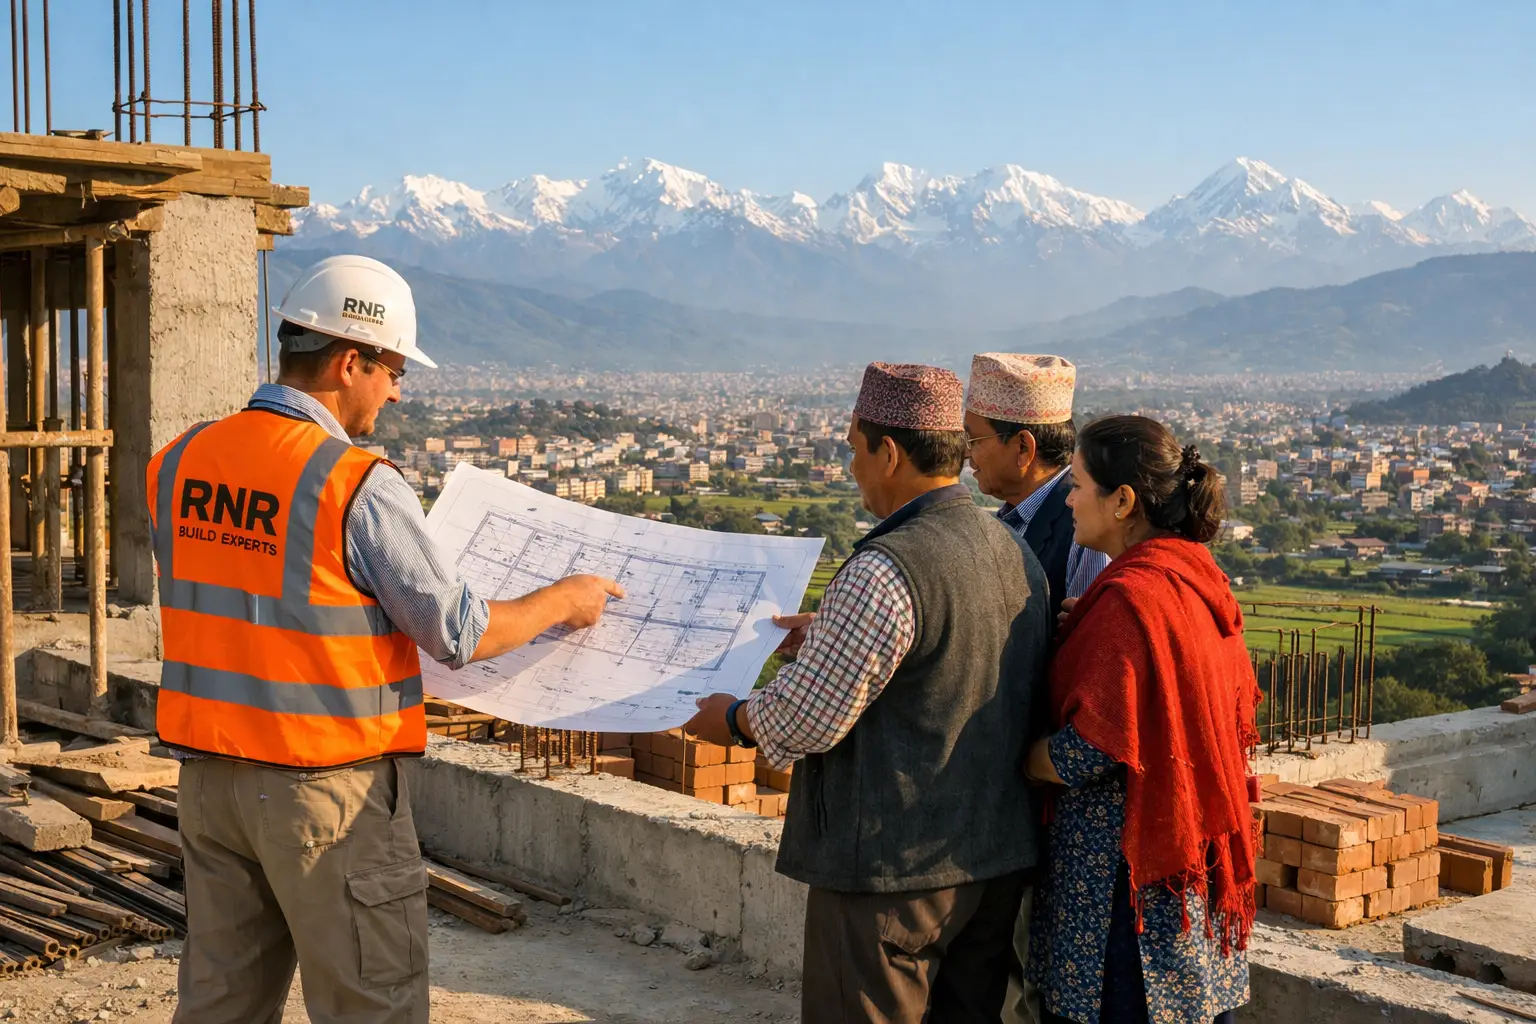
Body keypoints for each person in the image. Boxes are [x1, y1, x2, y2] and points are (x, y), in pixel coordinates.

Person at [146, 254, 624, 1024]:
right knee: (373, 1004)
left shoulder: (180, 460)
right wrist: (562, 601)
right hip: (326, 794)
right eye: (394, 369)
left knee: (221, 1005)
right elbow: (459, 631)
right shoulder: (353, 482)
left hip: (210, 781)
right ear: (348, 361)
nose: (398, 389)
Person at [687, 362, 1051, 1024]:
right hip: (992, 862)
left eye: (856, 451)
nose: (852, 470)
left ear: (888, 452)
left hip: (893, 875)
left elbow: (801, 724)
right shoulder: (1011, 549)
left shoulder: (886, 568)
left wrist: (733, 719)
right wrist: (829, 639)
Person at [1024, 414, 1260, 1024]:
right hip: (1189, 869)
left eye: (1077, 484)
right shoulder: (1195, 575)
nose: (1069, 499)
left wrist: (1022, 757)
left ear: (1122, 500)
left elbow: (1090, 748)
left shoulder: (1132, 599)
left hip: (1122, 888)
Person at [964, 353, 1109, 621]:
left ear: (1023, 448)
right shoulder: (1010, 518)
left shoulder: (1086, 529)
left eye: (974, 440)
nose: (967, 454)